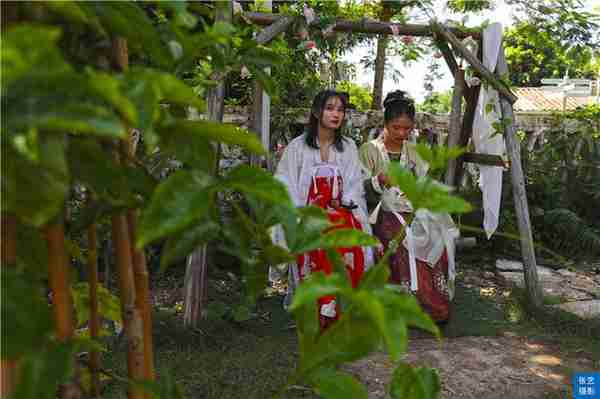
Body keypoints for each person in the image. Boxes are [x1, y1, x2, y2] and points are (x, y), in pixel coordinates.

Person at [273, 90, 374, 329]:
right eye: (330, 108)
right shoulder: (297, 147)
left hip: (341, 213)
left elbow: (354, 186)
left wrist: (344, 201)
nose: (336, 114)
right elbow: (284, 183)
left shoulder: (348, 147)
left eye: (340, 110)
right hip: (306, 214)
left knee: (344, 234)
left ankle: (340, 305)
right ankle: (320, 307)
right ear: (317, 112)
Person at [359, 90, 458, 323]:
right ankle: (411, 304)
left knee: (438, 236)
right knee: (403, 241)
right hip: (381, 213)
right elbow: (357, 190)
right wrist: (378, 181)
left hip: (413, 210)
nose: (402, 133)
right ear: (385, 124)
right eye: (396, 128)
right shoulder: (369, 150)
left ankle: (432, 300)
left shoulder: (413, 151)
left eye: (407, 128)